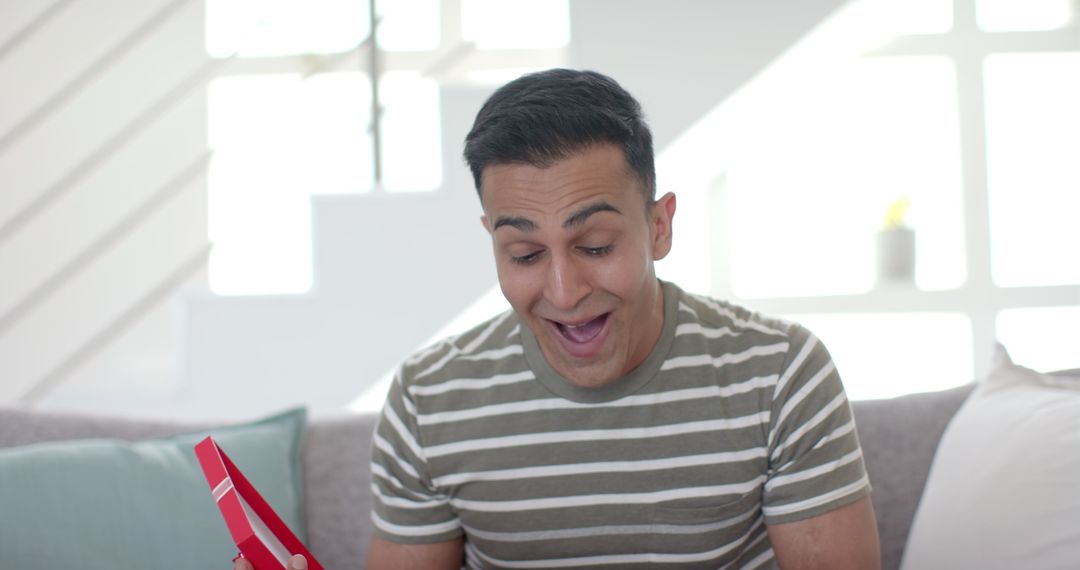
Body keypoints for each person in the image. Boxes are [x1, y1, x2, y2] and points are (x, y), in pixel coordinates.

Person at [240, 68, 880, 570]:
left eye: (596, 246)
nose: (565, 291)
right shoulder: (429, 401)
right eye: (523, 253)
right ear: (491, 238)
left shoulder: (780, 374)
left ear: (659, 227)